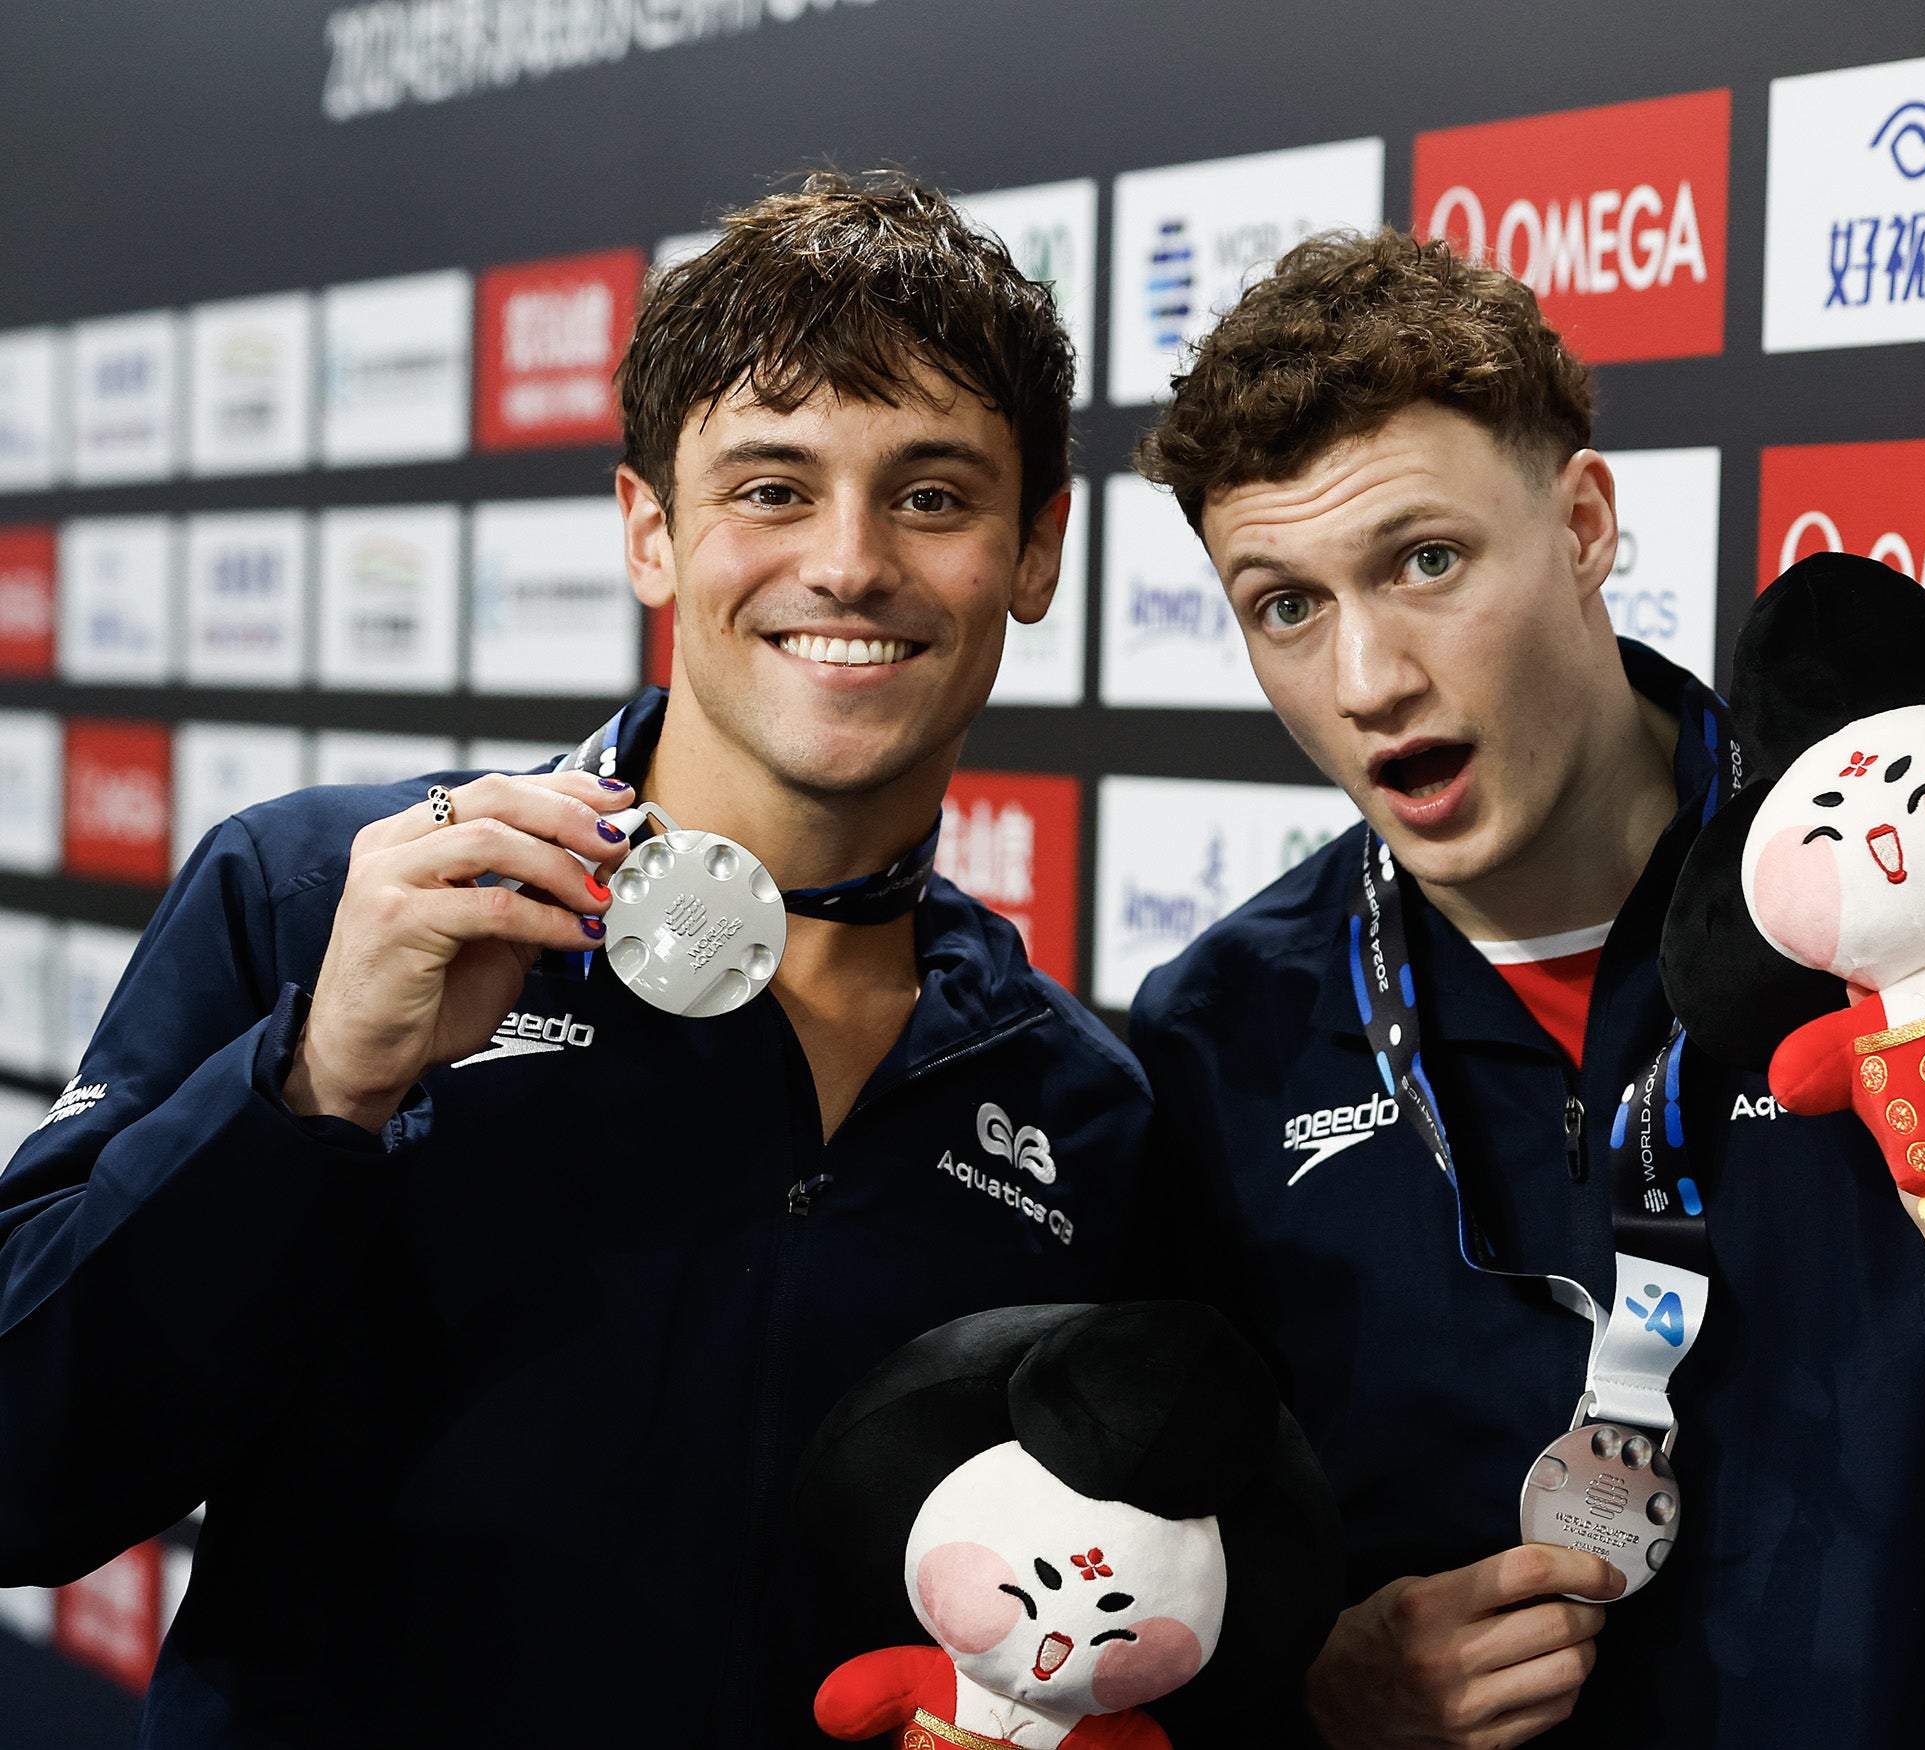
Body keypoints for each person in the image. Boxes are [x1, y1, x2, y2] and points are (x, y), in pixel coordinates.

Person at [1126, 230, 1925, 1747]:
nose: (1366, 675)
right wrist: (1311, 1688)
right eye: (1284, 605)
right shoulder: (1218, 1034)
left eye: (1422, 561)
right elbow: (1139, 1622)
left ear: (1579, 524)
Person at [0, 174, 1152, 1748]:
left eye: (933, 495)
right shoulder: (318, 895)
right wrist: (317, 1081)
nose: (849, 561)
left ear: (1036, 552)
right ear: (648, 533)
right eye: (768, 488)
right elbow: (20, 1470)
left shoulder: (1075, 1101)